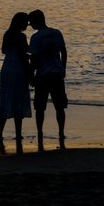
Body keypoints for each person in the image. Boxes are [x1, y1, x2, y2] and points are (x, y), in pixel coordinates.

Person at [27, 9, 68, 151]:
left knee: (40, 107)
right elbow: (64, 51)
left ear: (37, 21)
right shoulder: (57, 33)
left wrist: (31, 76)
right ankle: (61, 132)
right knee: (60, 106)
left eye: (31, 22)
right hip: (57, 73)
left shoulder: (36, 37)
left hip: (43, 75)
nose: (29, 25)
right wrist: (63, 68)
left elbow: (34, 59)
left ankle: (40, 132)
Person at [0, 12, 32, 155]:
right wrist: (30, 72)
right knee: (18, 99)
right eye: (26, 23)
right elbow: (23, 56)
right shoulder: (21, 37)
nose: (27, 25)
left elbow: (4, 50)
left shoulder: (7, 34)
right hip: (18, 69)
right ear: (20, 23)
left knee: (5, 98)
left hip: (7, 68)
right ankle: (18, 133)